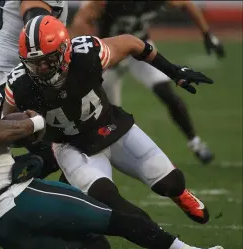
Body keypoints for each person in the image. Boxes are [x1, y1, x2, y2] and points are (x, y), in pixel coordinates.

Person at [0, 50, 224, 249]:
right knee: (116, 219)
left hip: (2, 230)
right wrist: (40, 120)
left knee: (97, 246)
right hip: (20, 200)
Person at [2, 16, 214, 249]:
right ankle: (170, 244)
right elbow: (8, 124)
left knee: (169, 181)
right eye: (36, 63)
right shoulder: (20, 85)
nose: (44, 68)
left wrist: (173, 71)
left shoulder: (88, 54)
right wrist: (34, 148)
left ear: (66, 51)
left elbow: (133, 43)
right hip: (73, 148)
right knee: (111, 203)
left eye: (49, 59)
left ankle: (179, 193)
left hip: (111, 127)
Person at [70, 0, 225, 164]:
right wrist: (90, 52)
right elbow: (82, 20)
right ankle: (87, 155)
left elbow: (187, 4)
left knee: (167, 93)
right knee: (104, 112)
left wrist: (207, 34)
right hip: (111, 51)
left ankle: (195, 142)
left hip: (140, 48)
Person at [0, 0, 69, 179]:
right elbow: (37, 35)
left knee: (67, 149)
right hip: (14, 79)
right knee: (65, 150)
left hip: (5, 74)